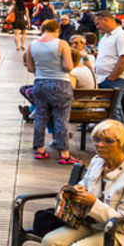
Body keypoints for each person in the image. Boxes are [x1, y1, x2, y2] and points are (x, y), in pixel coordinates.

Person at [25, 20, 77, 164]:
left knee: (40, 117)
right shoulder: (62, 44)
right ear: (58, 30)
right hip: (60, 83)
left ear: (42, 29)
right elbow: (68, 66)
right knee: (61, 118)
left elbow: (30, 68)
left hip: (40, 83)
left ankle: (40, 150)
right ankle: (64, 153)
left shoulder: (32, 45)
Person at [93, 10, 124, 120]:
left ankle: (121, 134)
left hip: (115, 79)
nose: (97, 27)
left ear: (106, 20)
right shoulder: (106, 37)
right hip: (103, 78)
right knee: (111, 109)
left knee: (114, 108)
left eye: (98, 23)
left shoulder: (121, 36)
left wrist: (111, 78)